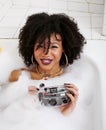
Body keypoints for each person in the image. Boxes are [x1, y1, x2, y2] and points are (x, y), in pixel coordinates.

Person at [8, 12, 86, 116]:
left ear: (64, 49)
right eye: (40, 46)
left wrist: (65, 113)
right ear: (31, 47)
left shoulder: (75, 80)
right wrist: (20, 94)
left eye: (54, 46)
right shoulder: (18, 76)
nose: (46, 53)